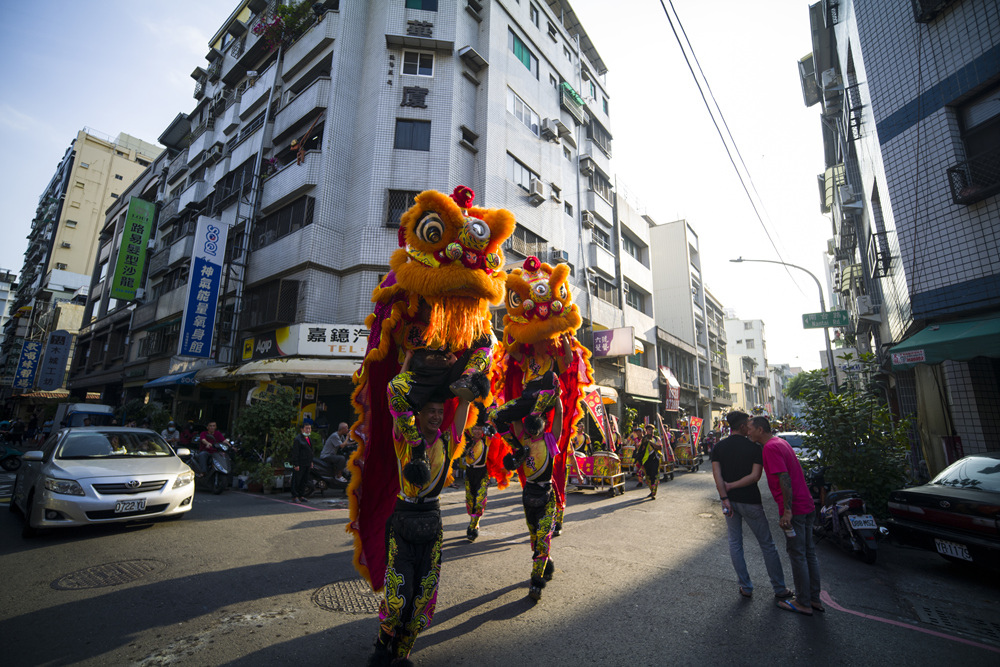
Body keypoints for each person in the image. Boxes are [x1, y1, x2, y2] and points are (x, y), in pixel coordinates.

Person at [368, 395, 473, 665]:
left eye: (440, 411)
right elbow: (395, 400)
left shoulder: (447, 441)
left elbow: (463, 406)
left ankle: (403, 652)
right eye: (430, 411)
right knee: (399, 596)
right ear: (420, 413)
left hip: (432, 525)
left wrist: (468, 391)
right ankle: (383, 642)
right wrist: (407, 359)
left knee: (422, 597)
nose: (436, 416)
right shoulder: (404, 439)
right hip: (403, 521)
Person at [711, 411, 793, 601]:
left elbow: (717, 475)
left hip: (729, 501)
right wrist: (733, 486)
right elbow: (755, 476)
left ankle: (746, 586)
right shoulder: (755, 448)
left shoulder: (719, 447)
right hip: (751, 501)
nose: (749, 428)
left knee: (735, 543)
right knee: (767, 544)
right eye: (747, 425)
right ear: (741, 427)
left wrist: (724, 495)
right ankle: (780, 588)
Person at [745, 416, 822, 615]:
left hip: (795, 509)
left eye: (750, 428)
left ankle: (803, 602)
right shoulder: (781, 443)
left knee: (798, 555)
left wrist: (787, 510)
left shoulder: (770, 448)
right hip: (806, 505)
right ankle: (813, 598)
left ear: (760, 429)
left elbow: (784, 477)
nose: (748, 432)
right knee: (808, 553)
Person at [504, 398, 563, 602]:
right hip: (528, 495)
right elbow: (509, 418)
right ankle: (546, 562)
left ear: (546, 422)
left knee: (543, 538)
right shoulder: (522, 440)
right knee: (536, 540)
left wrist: (556, 398)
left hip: (547, 496)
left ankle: (536, 582)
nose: (537, 421)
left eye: (542, 418)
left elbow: (560, 418)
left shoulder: (550, 439)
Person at [463, 418, 491, 541]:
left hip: (482, 473)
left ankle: (473, 526)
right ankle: (474, 521)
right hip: (469, 473)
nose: (477, 431)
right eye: (474, 428)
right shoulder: (466, 440)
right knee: (470, 500)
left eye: (479, 428)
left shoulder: (486, 440)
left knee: (479, 499)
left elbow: (493, 431)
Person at [290, 422, 315, 503]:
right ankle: (295, 496)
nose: (308, 430)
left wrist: (311, 462)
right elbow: (295, 453)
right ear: (302, 429)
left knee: (304, 480)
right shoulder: (298, 439)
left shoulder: (309, 438)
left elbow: (311, 451)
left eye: (309, 428)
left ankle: (301, 495)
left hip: (307, 463)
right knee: (297, 480)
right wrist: (296, 464)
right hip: (300, 463)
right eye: (306, 428)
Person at [640, 423, 663, 500]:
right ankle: (652, 490)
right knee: (648, 476)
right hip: (646, 459)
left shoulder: (656, 439)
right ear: (646, 431)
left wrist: (651, 443)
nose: (651, 431)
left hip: (655, 458)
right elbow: (641, 449)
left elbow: (659, 447)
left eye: (652, 429)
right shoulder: (644, 439)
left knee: (654, 474)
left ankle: (653, 493)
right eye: (649, 429)